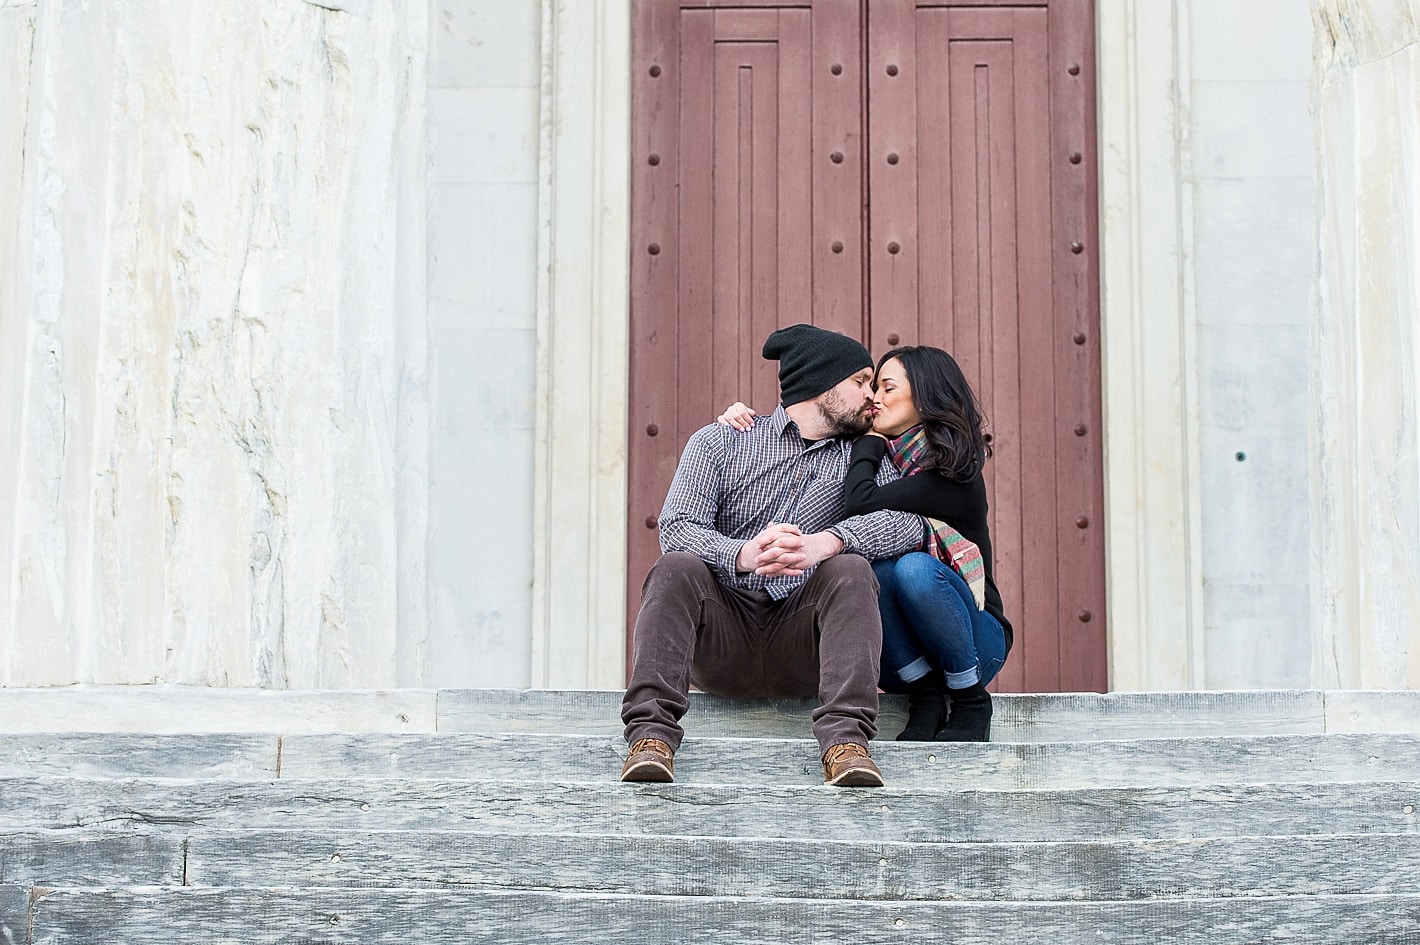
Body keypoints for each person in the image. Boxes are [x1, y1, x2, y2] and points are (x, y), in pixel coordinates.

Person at [620, 324, 924, 788]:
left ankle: (847, 745)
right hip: (724, 635)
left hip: (801, 639)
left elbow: (907, 525)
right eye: (861, 382)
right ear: (823, 383)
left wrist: (826, 542)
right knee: (675, 566)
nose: (872, 396)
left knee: (850, 569)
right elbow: (676, 527)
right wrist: (741, 553)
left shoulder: (866, 456)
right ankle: (651, 739)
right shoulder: (720, 441)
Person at [719, 345, 1012, 742]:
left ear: (926, 396)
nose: (874, 397)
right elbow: (807, 421)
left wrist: (869, 440)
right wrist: (740, 417)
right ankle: (924, 698)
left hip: (977, 645)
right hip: (901, 661)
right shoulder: (878, 457)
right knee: (871, 569)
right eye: (870, 387)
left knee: (914, 569)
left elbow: (861, 501)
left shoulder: (954, 473)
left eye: (887, 388)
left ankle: (971, 700)